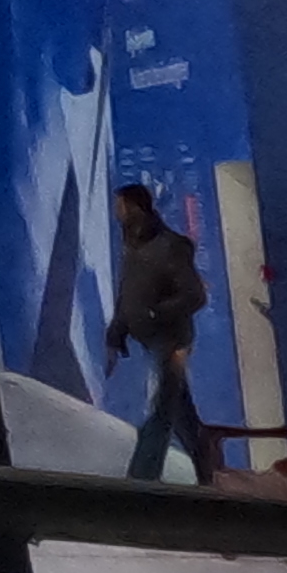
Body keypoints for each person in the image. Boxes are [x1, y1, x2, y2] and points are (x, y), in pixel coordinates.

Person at [112, 181, 208, 484]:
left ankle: (142, 479)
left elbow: (195, 295)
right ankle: (207, 467)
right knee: (180, 414)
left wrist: (156, 313)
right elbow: (128, 291)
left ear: (133, 206)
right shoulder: (133, 246)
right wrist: (117, 330)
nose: (117, 212)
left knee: (161, 410)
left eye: (121, 205)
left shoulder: (170, 246)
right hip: (150, 338)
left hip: (171, 342)